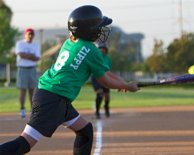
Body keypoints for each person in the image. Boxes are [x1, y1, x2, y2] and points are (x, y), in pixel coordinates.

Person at [0, 5, 139, 155]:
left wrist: (124, 83)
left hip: (54, 96)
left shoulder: (69, 43)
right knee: (24, 143)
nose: (101, 30)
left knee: (85, 131)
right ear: (89, 30)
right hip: (53, 99)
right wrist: (127, 86)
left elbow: (106, 73)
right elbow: (105, 80)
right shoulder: (91, 50)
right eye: (98, 27)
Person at [15, 28, 41, 118]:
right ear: (25, 35)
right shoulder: (20, 44)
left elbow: (37, 58)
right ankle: (22, 109)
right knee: (23, 90)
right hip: (22, 69)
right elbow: (21, 54)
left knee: (32, 91)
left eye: (32, 34)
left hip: (32, 69)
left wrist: (27, 56)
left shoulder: (35, 45)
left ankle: (32, 109)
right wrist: (31, 56)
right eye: (29, 34)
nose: (30, 36)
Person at [91, 42, 112, 119]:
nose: (102, 50)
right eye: (100, 48)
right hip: (96, 78)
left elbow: (109, 70)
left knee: (107, 96)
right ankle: (97, 112)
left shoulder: (107, 58)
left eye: (103, 48)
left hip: (105, 77)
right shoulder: (94, 57)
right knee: (100, 94)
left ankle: (106, 107)